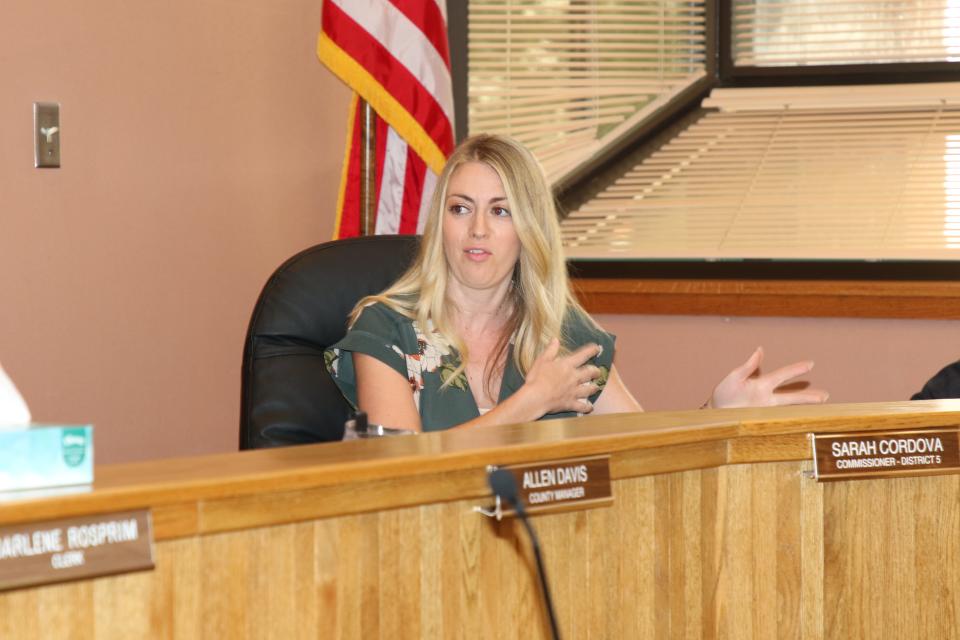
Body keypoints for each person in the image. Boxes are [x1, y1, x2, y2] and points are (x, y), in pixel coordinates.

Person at [324, 134, 828, 432]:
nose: (478, 230)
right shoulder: (386, 328)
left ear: (529, 231)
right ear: (441, 224)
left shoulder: (562, 336)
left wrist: (713, 412)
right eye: (461, 209)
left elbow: (636, 450)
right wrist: (529, 404)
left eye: (501, 211)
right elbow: (398, 470)